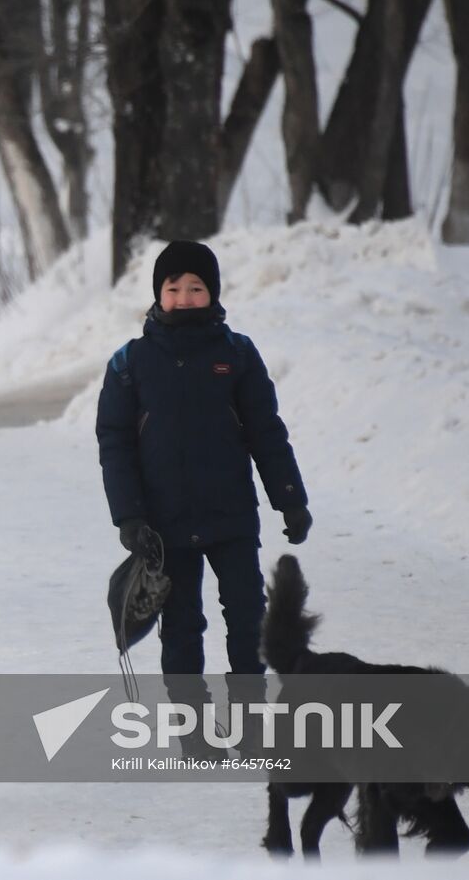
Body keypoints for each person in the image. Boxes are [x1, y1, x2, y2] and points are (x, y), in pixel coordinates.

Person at [96, 241, 311, 682]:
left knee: (249, 619)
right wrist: (130, 516)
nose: (184, 298)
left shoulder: (237, 354)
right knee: (181, 629)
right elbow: (114, 443)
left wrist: (289, 498)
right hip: (164, 523)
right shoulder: (130, 363)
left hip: (229, 514)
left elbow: (266, 431)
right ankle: (195, 740)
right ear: (158, 294)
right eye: (173, 288)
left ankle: (250, 726)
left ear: (212, 292)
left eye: (196, 288)